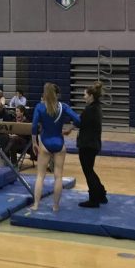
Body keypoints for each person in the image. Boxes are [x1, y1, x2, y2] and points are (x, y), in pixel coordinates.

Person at [31, 83, 81, 211]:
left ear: (45, 94)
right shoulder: (63, 107)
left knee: (40, 176)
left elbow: (34, 126)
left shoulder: (40, 107)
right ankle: (55, 206)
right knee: (58, 176)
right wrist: (70, 128)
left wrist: (34, 142)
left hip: (45, 143)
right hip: (59, 143)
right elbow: (78, 120)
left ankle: (36, 204)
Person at [76, 82, 107, 208]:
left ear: (90, 96)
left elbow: (79, 122)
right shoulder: (97, 108)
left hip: (87, 145)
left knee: (88, 171)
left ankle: (94, 199)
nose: (84, 97)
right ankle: (101, 194)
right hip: (93, 144)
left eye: (85, 95)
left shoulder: (90, 110)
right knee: (90, 171)